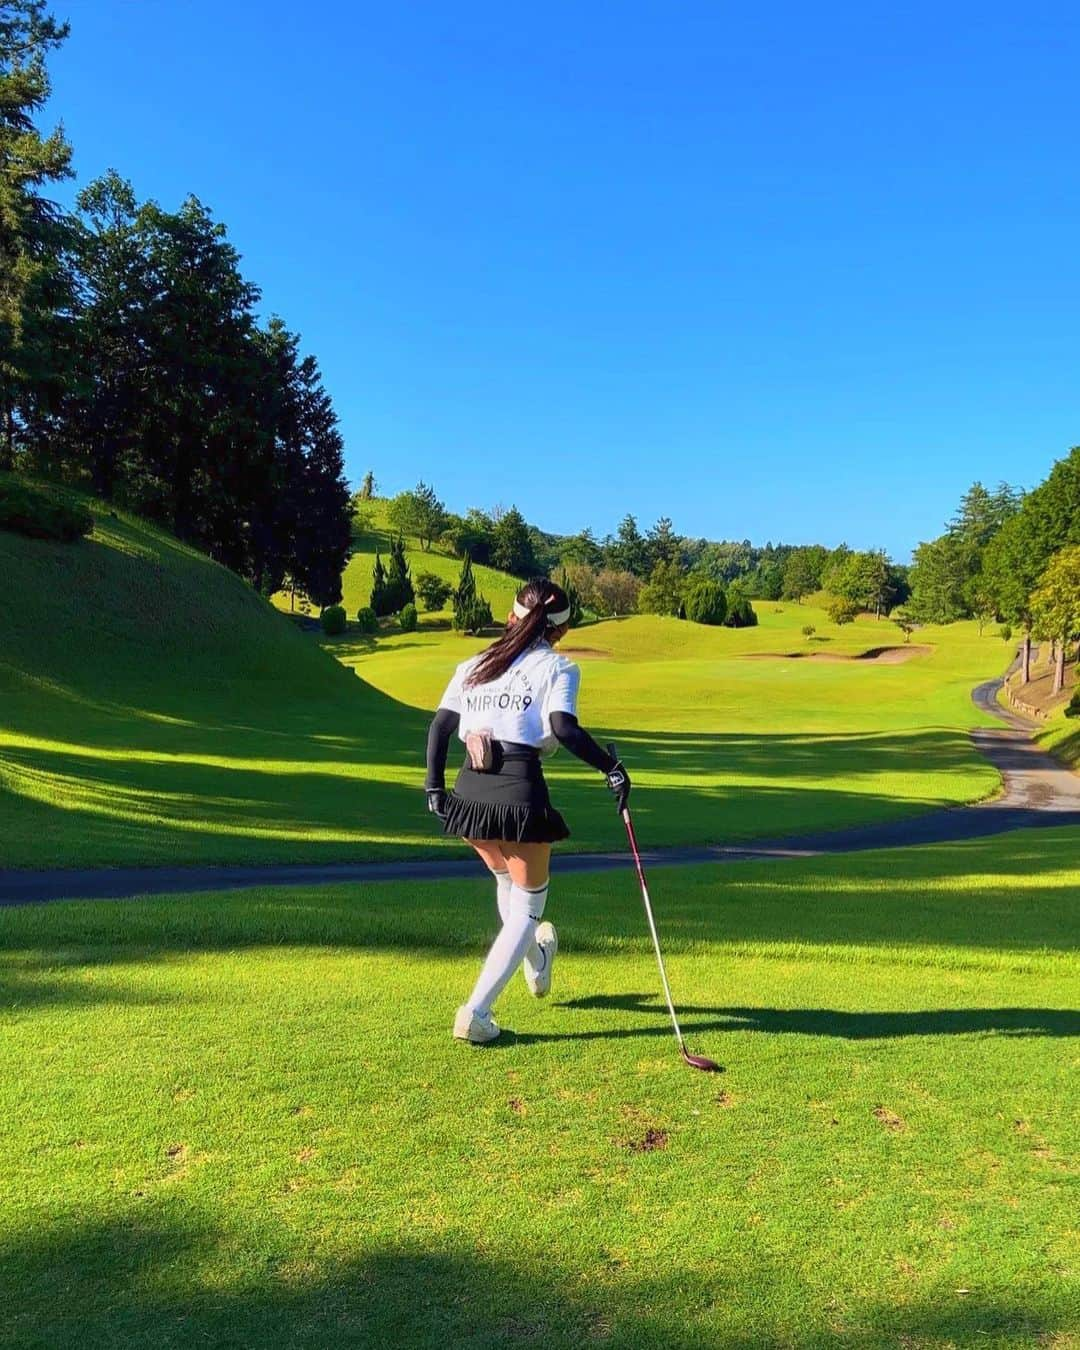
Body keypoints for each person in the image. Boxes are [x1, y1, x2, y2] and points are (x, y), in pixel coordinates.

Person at [425, 577, 631, 1044]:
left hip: (469, 792)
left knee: (507, 883)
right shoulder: (559, 667)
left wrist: (433, 788)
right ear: (559, 630)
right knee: (530, 907)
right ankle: (476, 1011)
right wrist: (612, 768)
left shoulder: (474, 662)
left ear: (512, 615)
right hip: (518, 791)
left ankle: (537, 963)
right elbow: (563, 729)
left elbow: (440, 728)